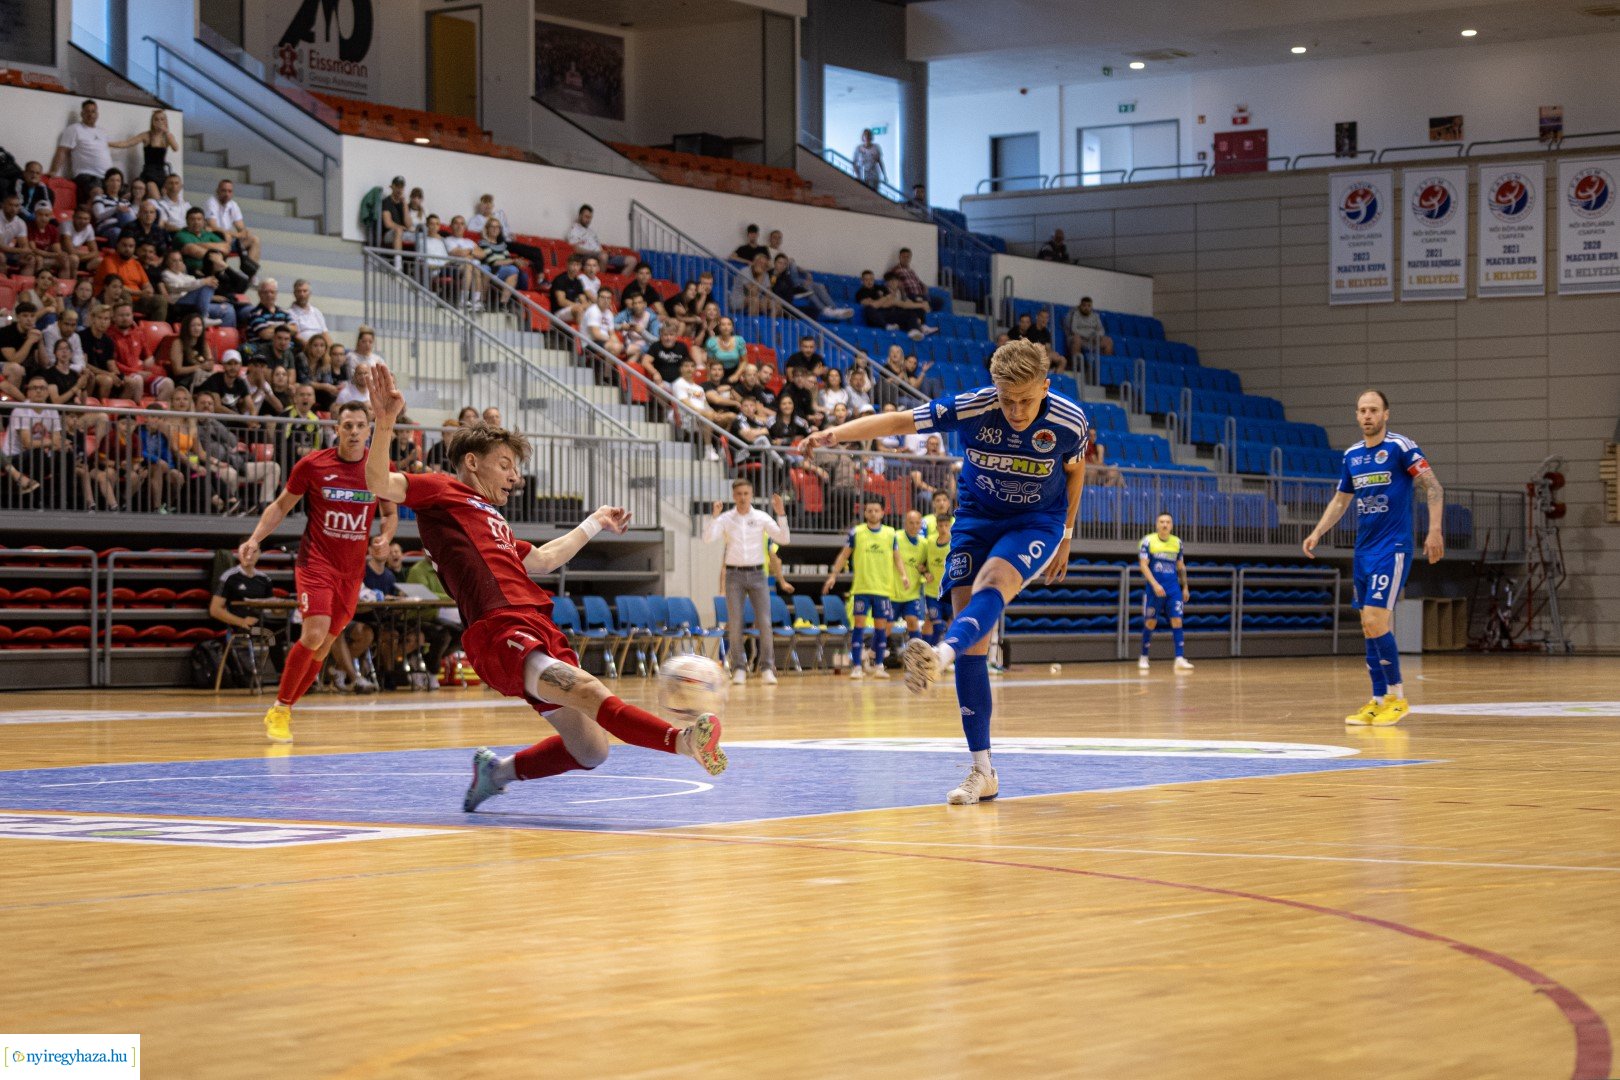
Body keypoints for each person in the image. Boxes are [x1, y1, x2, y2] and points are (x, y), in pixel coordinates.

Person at [361, 362, 727, 811]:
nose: (515, 477)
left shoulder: (491, 519)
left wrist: (595, 521)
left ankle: (495, 773)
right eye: (505, 465)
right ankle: (685, 742)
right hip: (499, 628)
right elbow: (378, 481)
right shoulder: (442, 490)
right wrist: (384, 424)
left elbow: (542, 559)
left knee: (592, 750)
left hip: (535, 624)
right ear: (472, 462)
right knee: (591, 692)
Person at [804, 340, 1088, 804]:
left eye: (1026, 400)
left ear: (1045, 387)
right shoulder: (975, 406)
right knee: (970, 626)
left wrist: (1068, 534)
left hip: (1037, 520)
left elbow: (1076, 472)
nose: (1016, 411)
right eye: (1007, 399)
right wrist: (833, 436)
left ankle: (941, 653)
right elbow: (898, 421)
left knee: (993, 583)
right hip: (976, 517)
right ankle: (983, 771)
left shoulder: (1068, 420)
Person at [240, 401, 400, 742]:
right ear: (336, 429)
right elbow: (281, 505)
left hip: (351, 572)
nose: (354, 431)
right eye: (348, 425)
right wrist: (255, 539)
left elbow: (389, 513)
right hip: (316, 564)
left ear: (369, 430)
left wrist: (385, 537)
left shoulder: (380, 466)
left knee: (323, 647)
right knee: (313, 634)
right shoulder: (313, 465)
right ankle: (281, 708)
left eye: (360, 425)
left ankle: (284, 710)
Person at [1304, 389, 1445, 727]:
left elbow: (1434, 487)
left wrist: (1435, 530)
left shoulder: (1400, 447)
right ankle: (1377, 699)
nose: (1367, 415)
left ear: (1386, 414)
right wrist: (1318, 531)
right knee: (1368, 626)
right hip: (1364, 551)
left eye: (1374, 410)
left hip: (1392, 548)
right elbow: (1341, 501)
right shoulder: (1352, 455)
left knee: (1376, 619)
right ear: (1356, 415)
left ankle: (1398, 697)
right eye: (1362, 410)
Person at [705, 480, 790, 685]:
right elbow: (708, 538)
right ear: (734, 496)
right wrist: (714, 517)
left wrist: (781, 514)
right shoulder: (726, 518)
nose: (743, 497)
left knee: (764, 622)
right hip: (734, 575)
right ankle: (739, 668)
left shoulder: (761, 517)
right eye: (739, 494)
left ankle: (767, 668)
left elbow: (783, 539)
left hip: (757, 574)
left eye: (746, 493)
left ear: (751, 495)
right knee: (735, 624)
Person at [823, 500, 900, 680]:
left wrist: (903, 576)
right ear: (865, 513)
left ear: (882, 513)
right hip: (861, 588)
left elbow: (897, 558)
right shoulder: (856, 533)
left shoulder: (890, 534)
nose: (873, 513)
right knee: (859, 626)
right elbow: (844, 555)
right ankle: (857, 666)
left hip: (882, 589)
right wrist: (833, 575)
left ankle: (879, 665)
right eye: (869, 510)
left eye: (876, 510)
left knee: (881, 629)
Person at [1138, 512, 1192, 673]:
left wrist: (1185, 586)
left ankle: (1179, 658)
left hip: (1173, 588)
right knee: (1150, 622)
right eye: (1161, 522)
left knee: (1177, 620)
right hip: (1155, 589)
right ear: (1157, 524)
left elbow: (1181, 566)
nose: (1164, 525)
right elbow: (1143, 565)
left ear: (1172, 525)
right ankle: (1144, 656)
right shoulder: (1148, 541)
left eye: (1168, 522)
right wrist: (1154, 584)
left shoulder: (1177, 543)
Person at [50, 100, 114, 202]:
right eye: (87, 111)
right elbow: (62, 151)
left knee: (126, 195)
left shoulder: (102, 132)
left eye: (93, 111)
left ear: (97, 114)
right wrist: (53, 171)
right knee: (97, 194)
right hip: (87, 175)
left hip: (107, 176)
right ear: (82, 114)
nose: (90, 114)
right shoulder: (74, 129)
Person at [210, 538, 276, 632]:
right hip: (240, 627)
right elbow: (215, 610)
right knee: (270, 634)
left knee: (295, 629)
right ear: (238, 552)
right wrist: (242, 622)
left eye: (254, 551)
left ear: (259, 553)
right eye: (245, 551)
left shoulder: (264, 578)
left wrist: (287, 608)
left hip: (263, 623)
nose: (249, 555)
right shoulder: (229, 577)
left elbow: (274, 608)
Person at [891, 509, 931, 646]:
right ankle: (873, 655)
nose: (914, 526)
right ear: (905, 523)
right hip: (893, 592)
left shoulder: (924, 544)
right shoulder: (895, 537)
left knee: (913, 622)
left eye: (917, 523)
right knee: (886, 628)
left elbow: (926, 566)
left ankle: (918, 657)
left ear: (921, 524)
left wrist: (925, 571)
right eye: (911, 523)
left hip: (912, 593)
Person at [114, 109, 179, 187]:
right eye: (156, 119)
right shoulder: (146, 135)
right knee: (152, 187)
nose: (159, 122)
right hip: (148, 173)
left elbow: (176, 148)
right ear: (152, 121)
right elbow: (126, 143)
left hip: (161, 173)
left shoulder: (167, 136)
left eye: (162, 119)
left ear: (165, 121)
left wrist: (167, 132)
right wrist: (107, 144)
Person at [1064, 296, 1114, 366]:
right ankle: (1076, 365)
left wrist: (1097, 336)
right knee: (1076, 339)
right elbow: (1074, 330)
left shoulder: (1095, 316)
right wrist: (1089, 335)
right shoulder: (1075, 314)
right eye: (1084, 305)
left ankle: (1104, 366)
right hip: (1081, 339)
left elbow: (1101, 330)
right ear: (1080, 306)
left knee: (1108, 341)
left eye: (1089, 306)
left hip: (1093, 340)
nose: (1086, 308)